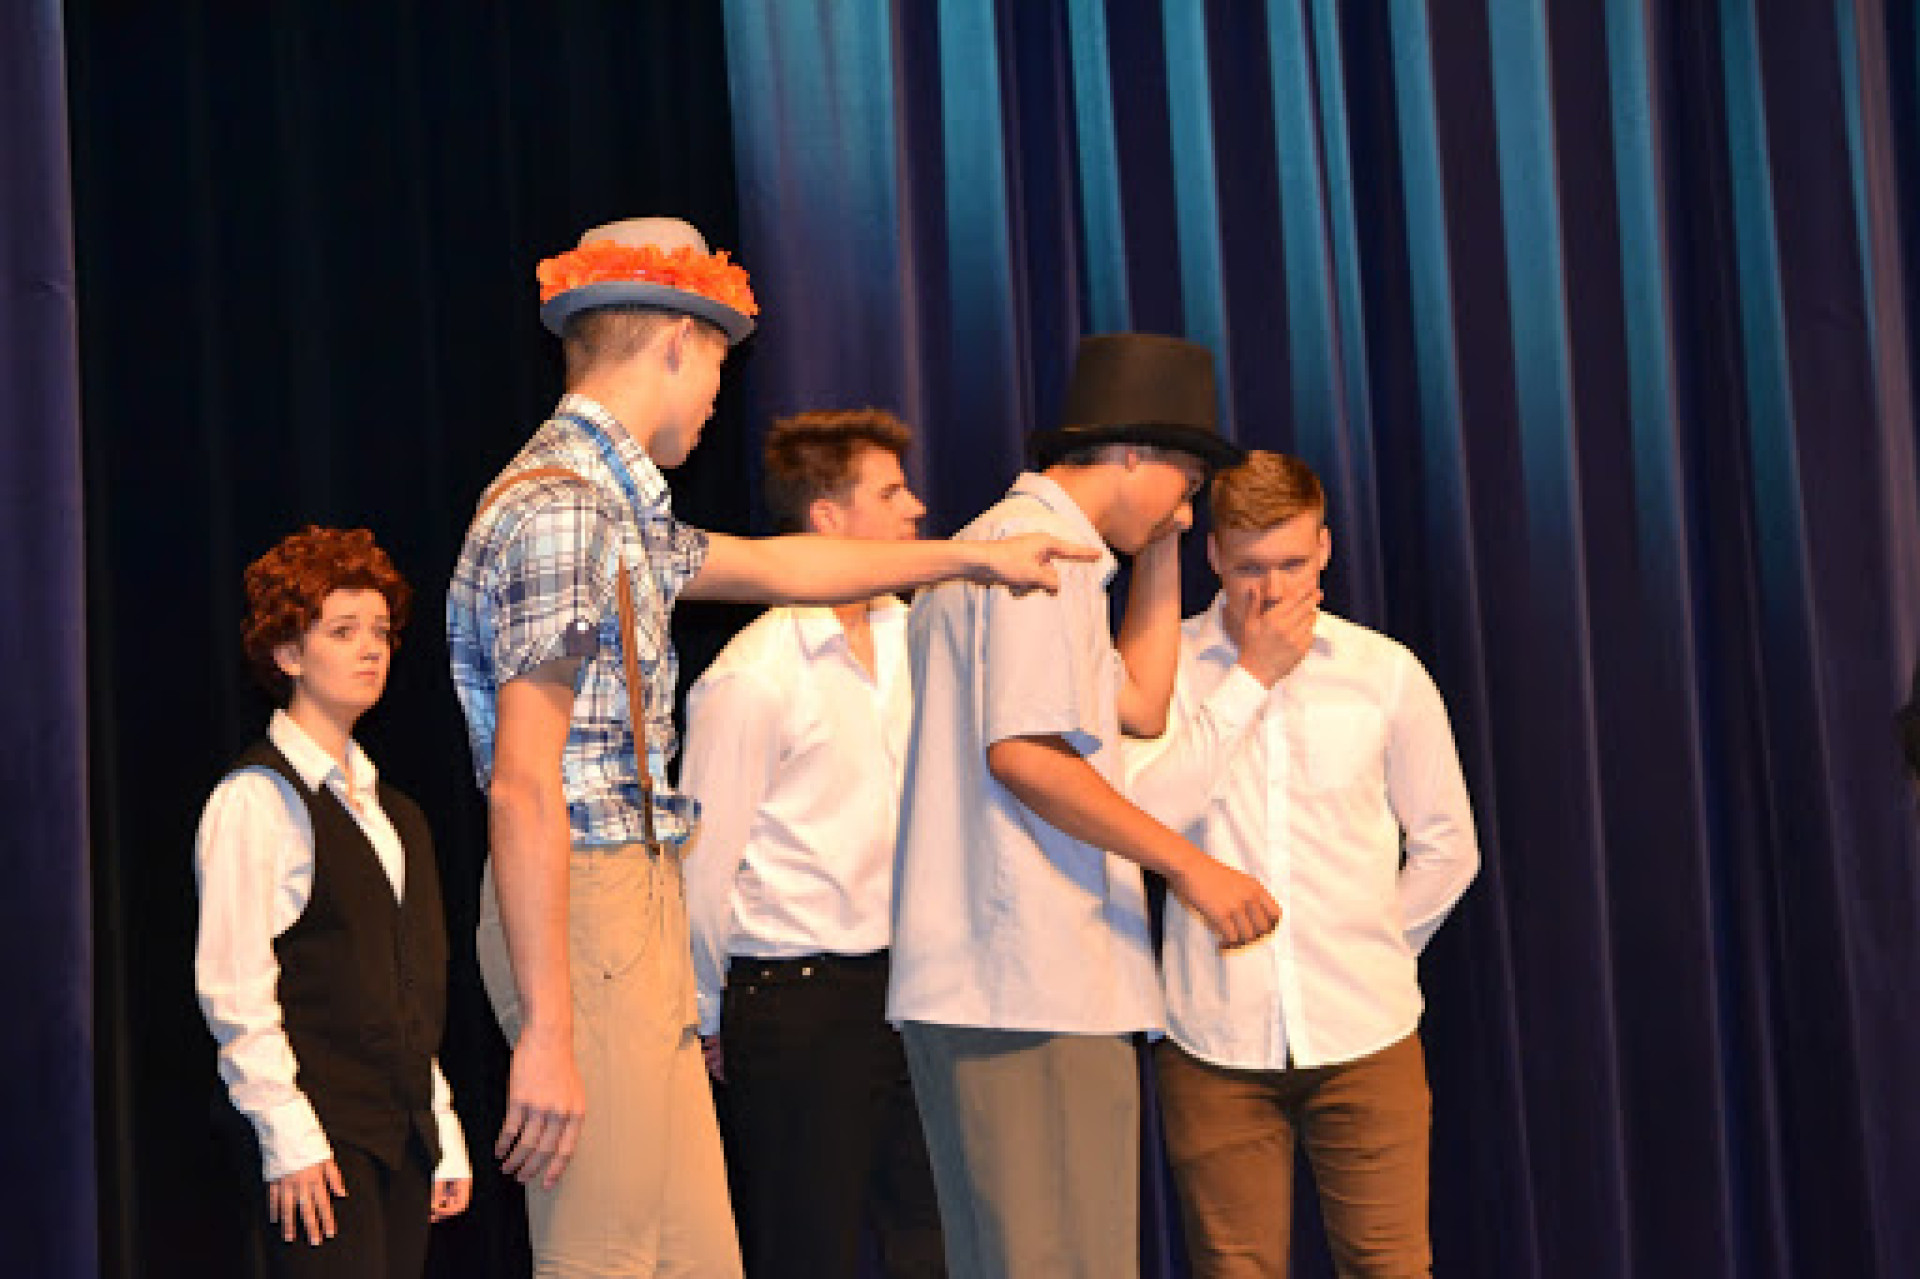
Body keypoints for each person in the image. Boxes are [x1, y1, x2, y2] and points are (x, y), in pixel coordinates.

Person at [445, 216, 1091, 1278]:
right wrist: (550, 1029)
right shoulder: (563, 510)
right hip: (586, 904)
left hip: (634, 905)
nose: (716, 396)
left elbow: (785, 567)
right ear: (675, 343)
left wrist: (974, 561)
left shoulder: (617, 511)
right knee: (603, 1256)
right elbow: (523, 784)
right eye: (715, 365)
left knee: (698, 1258)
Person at [887, 332, 1284, 1279]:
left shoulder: (1013, 544)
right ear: (1133, 453)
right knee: (1058, 1258)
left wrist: (1160, 548)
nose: (1187, 506)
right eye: (1186, 480)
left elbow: (1139, 703)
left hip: (1004, 979)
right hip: (1027, 973)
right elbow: (1025, 754)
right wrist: (1190, 865)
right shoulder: (1045, 557)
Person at [1128, 450, 1480, 1278]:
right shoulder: (1163, 672)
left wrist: (1371, 947)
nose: (1274, 589)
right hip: (1211, 1039)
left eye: (1292, 562)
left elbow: (1448, 846)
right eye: (1251, 567)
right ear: (1214, 555)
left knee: (1391, 1266)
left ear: (1325, 547)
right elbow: (1140, 823)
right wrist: (1250, 679)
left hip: (1368, 1032)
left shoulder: (1384, 672)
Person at [681, 408, 946, 1278]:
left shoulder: (918, 639)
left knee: (937, 1241)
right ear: (827, 518)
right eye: (890, 492)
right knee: (807, 1248)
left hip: (914, 989)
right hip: (797, 997)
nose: (915, 508)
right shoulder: (753, 676)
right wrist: (708, 1013)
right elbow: (702, 864)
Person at [194, 525, 472, 1278]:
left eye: (380, 631)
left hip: (399, 1134)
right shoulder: (257, 799)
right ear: (288, 653)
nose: (370, 649)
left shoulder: (395, 814)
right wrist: (288, 1135)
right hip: (318, 1140)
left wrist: (438, 1124)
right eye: (343, 631)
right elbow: (234, 987)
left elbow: (407, 991)